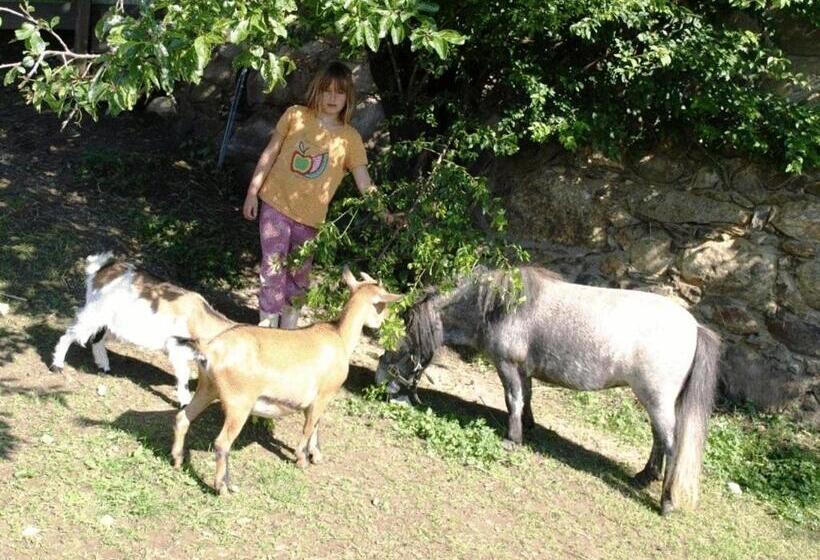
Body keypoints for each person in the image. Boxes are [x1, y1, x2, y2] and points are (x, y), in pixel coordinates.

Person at [242, 61, 401, 329]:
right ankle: (266, 332)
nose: (331, 98)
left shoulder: (350, 139)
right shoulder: (296, 116)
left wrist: (384, 214)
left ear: (348, 97)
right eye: (326, 90)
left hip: (311, 221)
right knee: (272, 270)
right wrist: (252, 192)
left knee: (298, 278)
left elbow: (364, 183)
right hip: (275, 207)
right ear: (316, 90)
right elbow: (269, 154)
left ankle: (288, 333)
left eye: (339, 92)